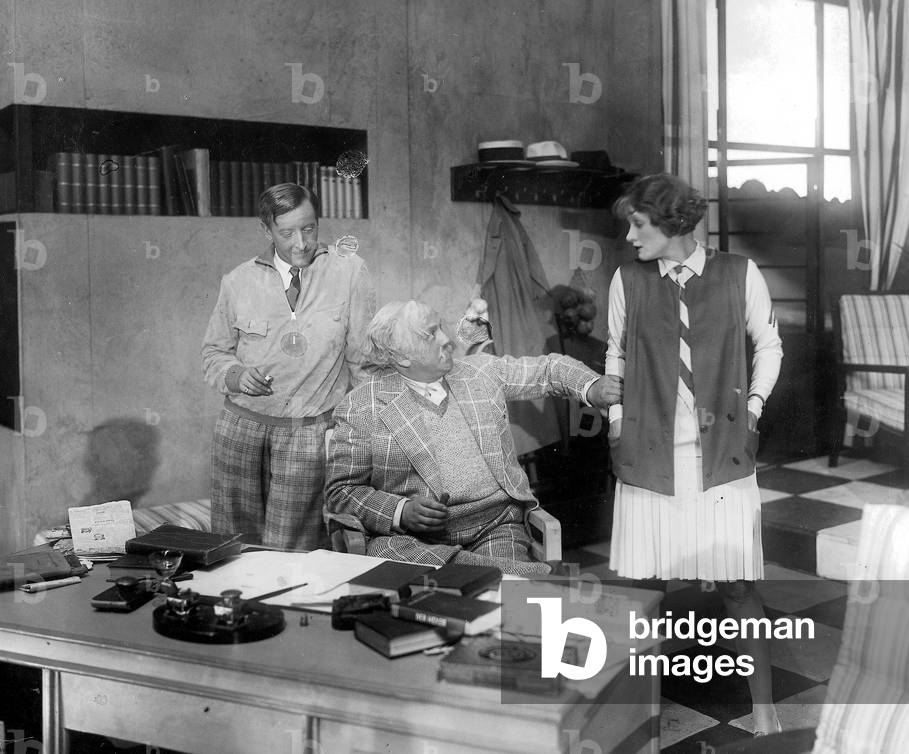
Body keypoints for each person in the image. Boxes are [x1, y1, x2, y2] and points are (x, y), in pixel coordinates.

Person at [605, 174, 784, 736]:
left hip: (721, 452)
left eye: (638, 224)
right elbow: (614, 355)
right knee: (644, 589)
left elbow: (770, 345)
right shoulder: (627, 279)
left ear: (673, 223)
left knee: (737, 588)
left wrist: (752, 408)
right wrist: (615, 425)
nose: (630, 237)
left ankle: (765, 710)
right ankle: (639, 717)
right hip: (649, 450)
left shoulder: (739, 273)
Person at [323, 300, 622, 575]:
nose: (447, 339)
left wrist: (591, 386)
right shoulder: (362, 406)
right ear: (401, 356)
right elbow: (341, 493)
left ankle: (475, 572)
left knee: (454, 585)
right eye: (431, 334)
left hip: (494, 525)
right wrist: (400, 511)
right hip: (412, 539)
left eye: (441, 327)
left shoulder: (479, 373)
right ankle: (508, 573)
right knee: (389, 552)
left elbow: (548, 369)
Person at [201, 183, 375, 550]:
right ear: (266, 231)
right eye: (287, 232)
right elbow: (214, 353)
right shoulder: (237, 281)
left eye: (309, 228)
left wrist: (367, 433)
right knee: (232, 551)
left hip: (308, 435)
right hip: (239, 432)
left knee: (293, 555)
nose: (300, 243)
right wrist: (236, 375)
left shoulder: (350, 273)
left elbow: (365, 363)